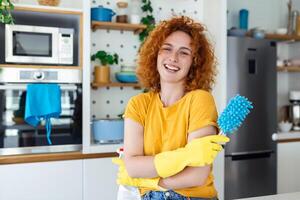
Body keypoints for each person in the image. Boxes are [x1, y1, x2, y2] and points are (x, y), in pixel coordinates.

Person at [113, 16, 229, 200]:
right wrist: (184, 158)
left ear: (194, 62)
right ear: (155, 54)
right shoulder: (138, 104)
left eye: (184, 52)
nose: (173, 58)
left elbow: (197, 175)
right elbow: (133, 167)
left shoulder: (200, 100)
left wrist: (151, 182)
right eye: (167, 48)